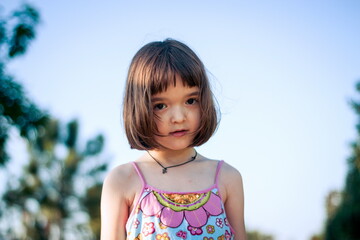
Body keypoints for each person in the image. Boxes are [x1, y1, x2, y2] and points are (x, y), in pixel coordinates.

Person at [100, 39, 246, 240]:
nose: (179, 117)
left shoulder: (227, 178)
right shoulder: (122, 181)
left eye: (190, 101)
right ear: (139, 108)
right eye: (160, 105)